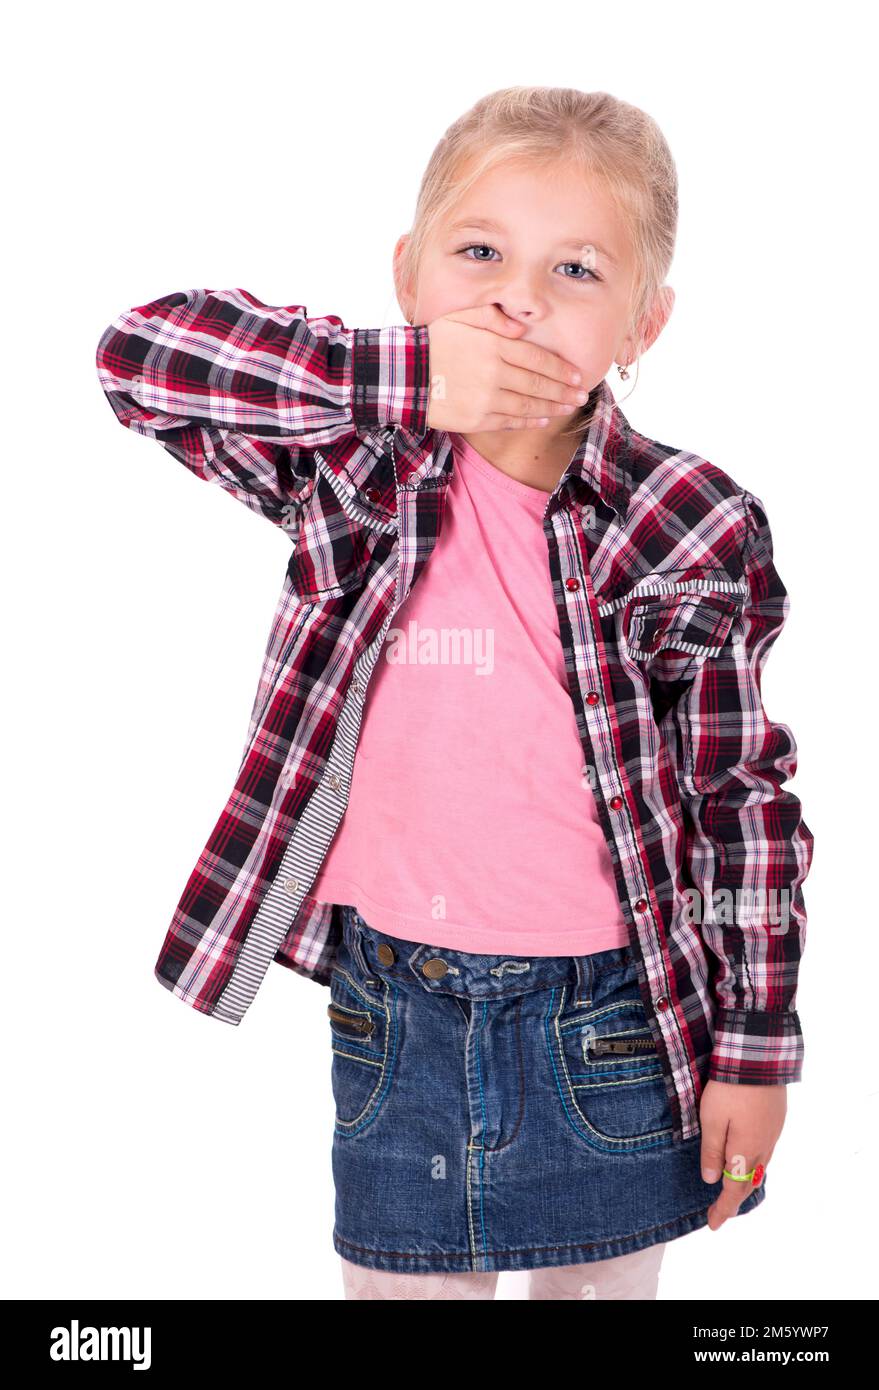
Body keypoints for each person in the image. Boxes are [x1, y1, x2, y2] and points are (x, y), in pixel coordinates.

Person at [94, 86, 814, 1300]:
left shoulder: (687, 519)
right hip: (400, 1007)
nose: (517, 297)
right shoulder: (351, 461)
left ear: (647, 323)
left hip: (612, 1017)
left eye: (576, 269)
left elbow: (741, 803)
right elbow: (141, 356)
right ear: (409, 276)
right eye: (479, 252)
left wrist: (755, 1053)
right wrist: (406, 377)